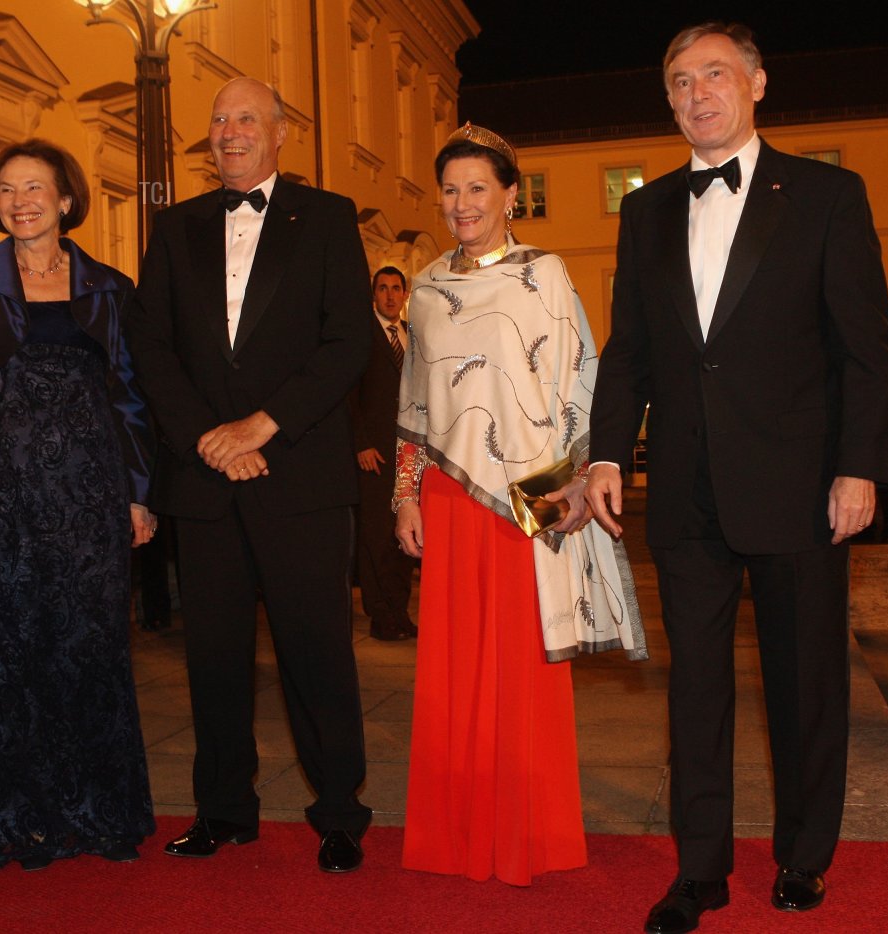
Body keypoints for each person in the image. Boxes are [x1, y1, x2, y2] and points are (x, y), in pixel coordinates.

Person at [585, 23, 888, 933]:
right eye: (680, 81)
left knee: (806, 688)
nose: (697, 93)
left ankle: (804, 857)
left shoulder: (829, 196)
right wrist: (608, 452)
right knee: (696, 693)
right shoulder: (643, 213)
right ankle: (701, 871)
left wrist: (858, 468)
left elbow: (866, 351)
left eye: (714, 74)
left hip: (803, 487)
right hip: (685, 492)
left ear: (757, 83)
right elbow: (630, 352)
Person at [127, 77, 373, 874]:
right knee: (214, 658)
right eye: (219, 119)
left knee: (317, 654)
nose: (229, 132)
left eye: (245, 119)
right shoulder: (174, 227)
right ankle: (223, 810)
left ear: (280, 133)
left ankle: (339, 810)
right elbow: (152, 347)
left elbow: (348, 343)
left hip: (297, 474)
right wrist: (207, 436)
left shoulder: (328, 218)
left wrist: (263, 425)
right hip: (205, 483)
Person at [394, 123, 646, 887]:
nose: (463, 204)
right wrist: (404, 494)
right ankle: (454, 836)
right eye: (451, 190)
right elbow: (413, 398)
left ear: (511, 195)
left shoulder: (547, 276)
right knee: (451, 668)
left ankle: (527, 837)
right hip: (447, 494)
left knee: (521, 666)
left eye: (479, 188)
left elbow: (580, 384)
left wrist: (569, 487)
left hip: (525, 500)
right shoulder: (428, 285)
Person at [0, 138, 157, 871]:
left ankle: (96, 810)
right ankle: (20, 816)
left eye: (34, 188)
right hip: (1, 495)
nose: (19, 201)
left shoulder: (111, 287)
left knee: (91, 649)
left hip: (90, 496)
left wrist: (138, 493)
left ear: (65, 199)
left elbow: (129, 399)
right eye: (6, 190)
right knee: (14, 652)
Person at [350, 265, 417, 641]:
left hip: (407, 454)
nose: (390, 295)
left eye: (396, 288)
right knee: (376, 536)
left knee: (405, 536)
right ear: (373, 295)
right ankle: (379, 615)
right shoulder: (361, 336)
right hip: (373, 453)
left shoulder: (411, 336)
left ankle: (399, 612)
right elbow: (350, 395)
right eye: (383, 289)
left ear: (405, 294)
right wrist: (360, 442)